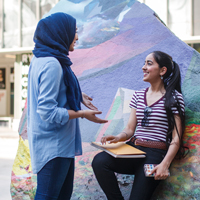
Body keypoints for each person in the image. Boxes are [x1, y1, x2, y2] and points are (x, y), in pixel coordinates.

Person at [27, 12, 108, 200]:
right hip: (54, 145)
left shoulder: (41, 59)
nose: (77, 37)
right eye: (74, 31)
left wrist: (79, 96)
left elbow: (52, 91)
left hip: (56, 143)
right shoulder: (52, 64)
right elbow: (47, 111)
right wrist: (82, 113)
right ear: (60, 32)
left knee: (60, 196)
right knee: (48, 196)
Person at [92, 51, 186, 200]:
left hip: (155, 155)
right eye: (144, 63)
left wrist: (165, 164)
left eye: (149, 63)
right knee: (100, 161)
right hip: (133, 150)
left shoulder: (174, 97)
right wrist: (118, 137)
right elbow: (130, 129)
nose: (143, 67)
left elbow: (176, 138)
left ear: (162, 70)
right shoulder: (137, 95)